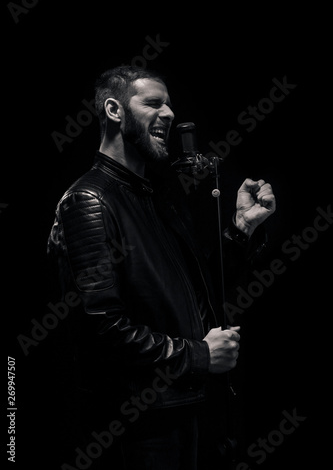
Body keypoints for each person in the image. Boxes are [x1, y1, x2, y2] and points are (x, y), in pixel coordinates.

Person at [47, 65, 276, 469]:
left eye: (169, 104)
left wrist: (241, 230)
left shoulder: (155, 198)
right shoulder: (88, 201)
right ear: (115, 110)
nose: (169, 114)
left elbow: (192, 293)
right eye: (153, 103)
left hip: (180, 413)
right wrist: (199, 355)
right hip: (136, 431)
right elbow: (101, 328)